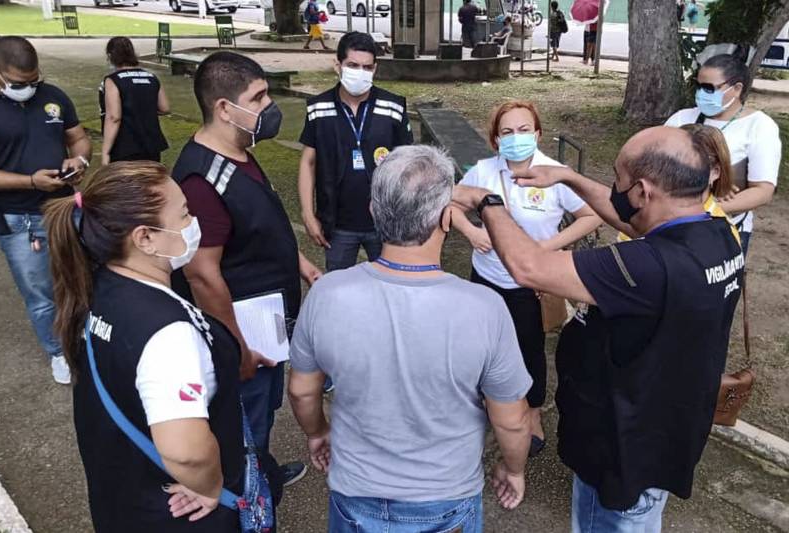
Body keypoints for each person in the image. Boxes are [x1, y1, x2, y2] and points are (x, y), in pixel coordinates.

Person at [452, 126, 744, 532]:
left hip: (621, 449)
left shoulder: (646, 267)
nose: (614, 188)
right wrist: (568, 178)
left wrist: (488, 203)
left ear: (642, 192)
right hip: (663, 430)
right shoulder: (717, 233)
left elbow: (529, 267)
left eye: (618, 179)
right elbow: (636, 221)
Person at [289, 145, 534, 532]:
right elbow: (513, 421)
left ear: (373, 211)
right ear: (447, 219)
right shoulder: (485, 308)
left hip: (354, 491)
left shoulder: (327, 293)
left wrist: (318, 432)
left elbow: (303, 391)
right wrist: (513, 468)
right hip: (446, 498)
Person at [44, 162, 245, 532]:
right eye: (184, 214)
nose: (193, 222)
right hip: (177, 516)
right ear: (145, 238)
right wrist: (211, 484)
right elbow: (186, 452)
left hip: (122, 500)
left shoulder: (98, 284)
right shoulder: (167, 333)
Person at [171, 51, 322, 488]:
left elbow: (261, 227)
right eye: (258, 98)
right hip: (245, 337)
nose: (269, 106)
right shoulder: (202, 182)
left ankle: (265, 472)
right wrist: (236, 349)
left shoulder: (238, 154)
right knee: (246, 426)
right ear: (224, 108)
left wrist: (302, 266)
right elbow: (202, 275)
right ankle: (251, 498)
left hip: (267, 327)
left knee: (264, 412)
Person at [452, 100, 602, 456]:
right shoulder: (484, 171)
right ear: (496, 139)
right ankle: (490, 403)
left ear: (537, 134)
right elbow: (451, 203)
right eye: (507, 132)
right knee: (484, 344)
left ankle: (532, 412)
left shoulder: (555, 174)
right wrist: (472, 233)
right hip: (487, 276)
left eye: (523, 130)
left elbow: (592, 215)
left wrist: (548, 246)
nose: (515, 137)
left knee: (529, 350)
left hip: (530, 284)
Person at [0, 36, 91, 384]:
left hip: (64, 207)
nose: (29, 89)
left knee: (80, 277)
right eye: (19, 83)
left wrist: (79, 160)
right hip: (17, 218)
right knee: (40, 292)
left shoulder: (53, 96)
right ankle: (59, 351)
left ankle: (87, 335)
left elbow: (78, 138)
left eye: (35, 80)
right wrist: (30, 182)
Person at [298, 31, 413, 273]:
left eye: (367, 67)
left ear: (375, 69)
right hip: (337, 224)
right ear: (338, 66)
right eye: (353, 65)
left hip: (385, 223)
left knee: (389, 284)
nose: (360, 73)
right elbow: (309, 162)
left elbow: (408, 164)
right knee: (338, 285)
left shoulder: (393, 107)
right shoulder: (318, 108)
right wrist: (308, 214)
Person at [666, 53, 782, 256]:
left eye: (709, 88)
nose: (701, 93)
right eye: (698, 86)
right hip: (671, 224)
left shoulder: (759, 126)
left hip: (724, 229)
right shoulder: (681, 118)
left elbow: (763, 190)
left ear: (736, 89)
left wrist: (710, 208)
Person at [620, 123, 740, 244]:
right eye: (672, 159)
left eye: (694, 166)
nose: (679, 171)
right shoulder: (646, 202)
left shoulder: (724, 235)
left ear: (715, 172)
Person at [100, 37, 169, 164]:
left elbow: (114, 117)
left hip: (125, 146)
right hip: (151, 145)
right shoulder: (151, 77)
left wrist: (105, 151)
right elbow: (165, 108)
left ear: (110, 56)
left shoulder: (113, 80)